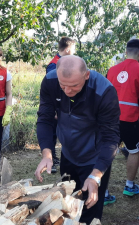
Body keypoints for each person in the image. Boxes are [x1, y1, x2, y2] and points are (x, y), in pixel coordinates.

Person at [35, 55, 120, 224]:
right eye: (63, 85)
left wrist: (96, 175)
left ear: (86, 75)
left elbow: (111, 138)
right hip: (68, 152)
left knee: (90, 210)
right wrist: (47, 154)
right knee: (67, 204)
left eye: (74, 85)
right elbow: (45, 119)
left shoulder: (104, 91)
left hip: (94, 156)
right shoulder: (50, 82)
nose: (67, 91)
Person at [107, 39, 139, 197]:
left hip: (110, 118)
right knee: (134, 151)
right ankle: (129, 186)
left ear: (126, 52)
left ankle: (103, 192)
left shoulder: (112, 70)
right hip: (130, 119)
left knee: (106, 152)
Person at [46, 37, 76, 173]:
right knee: (52, 133)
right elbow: (52, 89)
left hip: (65, 106)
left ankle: (60, 159)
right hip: (56, 106)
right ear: (68, 48)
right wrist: (55, 110)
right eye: (74, 49)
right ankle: (50, 162)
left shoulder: (67, 62)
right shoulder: (54, 65)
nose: (74, 52)